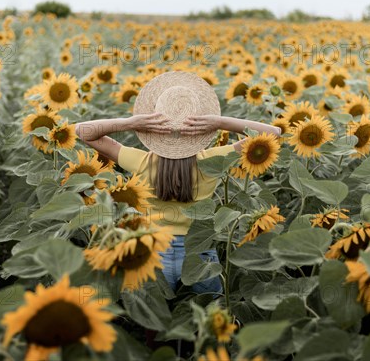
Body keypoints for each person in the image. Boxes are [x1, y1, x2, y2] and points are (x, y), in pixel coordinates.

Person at [74, 71, 281, 295]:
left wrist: (130, 123)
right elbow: (273, 133)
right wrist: (219, 122)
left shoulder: (140, 161)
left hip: (152, 253)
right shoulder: (213, 161)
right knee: (207, 312)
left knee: (154, 318)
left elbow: (83, 132)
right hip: (199, 255)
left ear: (154, 130)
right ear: (199, 131)